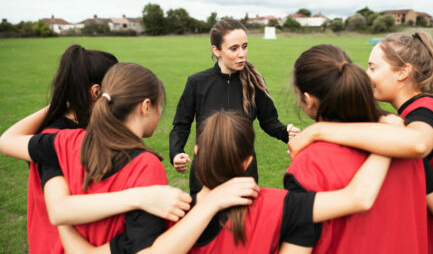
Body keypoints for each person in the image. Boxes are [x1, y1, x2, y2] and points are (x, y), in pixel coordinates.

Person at [0, 63, 256, 254]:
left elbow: (6, 141)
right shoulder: (146, 166)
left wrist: (62, 102)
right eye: (159, 106)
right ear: (146, 106)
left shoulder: (65, 140)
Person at [60, 110, 395, 254]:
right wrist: (389, 138)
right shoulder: (285, 206)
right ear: (249, 160)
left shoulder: (168, 209)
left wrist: (57, 213)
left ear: (196, 150)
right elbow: (359, 197)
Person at [289, 34, 433, 253]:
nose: (366, 77)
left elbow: (417, 144)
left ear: (403, 71)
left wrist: (318, 130)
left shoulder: (419, 118)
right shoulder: (405, 123)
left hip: (428, 238)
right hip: (419, 233)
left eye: (372, 68)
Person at [169, 18, 299, 194]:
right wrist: (176, 152)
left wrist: (287, 133)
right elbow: (181, 125)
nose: (242, 54)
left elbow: (269, 122)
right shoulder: (197, 83)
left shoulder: (255, 82)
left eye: (244, 46)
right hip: (205, 175)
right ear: (216, 50)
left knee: (241, 222)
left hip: (244, 174)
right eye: (234, 48)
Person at [28, 44, 118, 254]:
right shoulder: (56, 139)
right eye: (118, 88)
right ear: (96, 92)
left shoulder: (83, 128)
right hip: (59, 247)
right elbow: (59, 208)